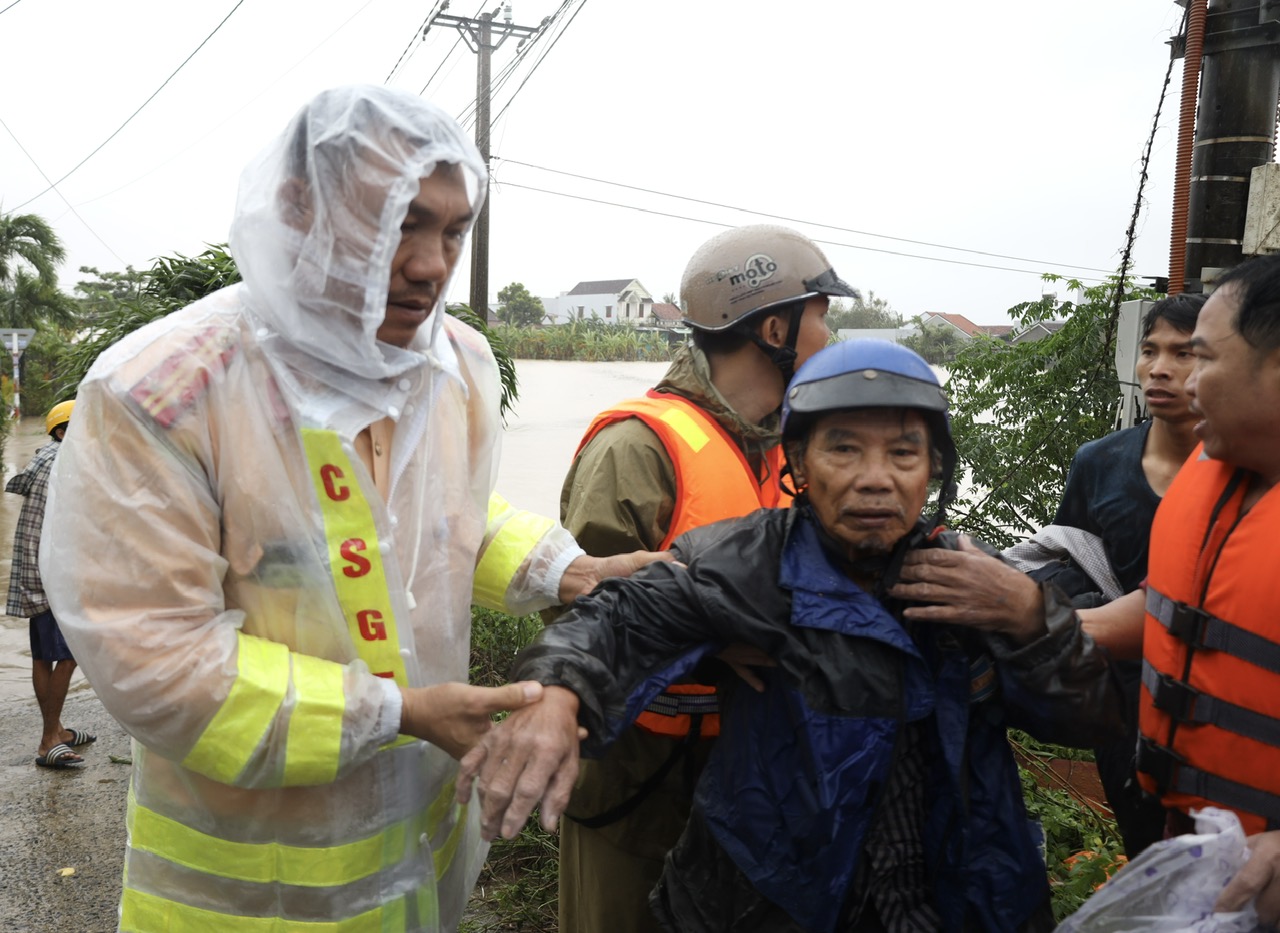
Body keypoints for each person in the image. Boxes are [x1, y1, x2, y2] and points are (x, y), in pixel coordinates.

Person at [39, 85, 662, 933]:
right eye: (400, 221)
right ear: (299, 207)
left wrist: (566, 569)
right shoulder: (165, 391)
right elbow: (154, 659)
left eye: (452, 230)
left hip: (418, 868)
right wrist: (400, 711)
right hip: (243, 896)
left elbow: (441, 518)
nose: (430, 263)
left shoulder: (455, 362)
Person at [458, 340, 1124, 932]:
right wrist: (557, 692)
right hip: (773, 900)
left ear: (932, 472)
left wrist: (1033, 615)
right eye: (843, 448)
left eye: (902, 452)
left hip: (956, 896)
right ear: (798, 464)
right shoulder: (750, 565)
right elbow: (621, 617)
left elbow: (1090, 717)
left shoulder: (979, 582)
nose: (875, 476)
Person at [554, 223, 855, 933]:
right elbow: (575, 624)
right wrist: (716, 643)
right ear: (776, 328)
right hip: (636, 796)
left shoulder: (791, 451)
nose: (830, 338)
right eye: (823, 318)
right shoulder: (636, 450)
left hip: (750, 792)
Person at [1005, 293, 1206, 857]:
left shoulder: (1242, 466)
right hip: (1122, 694)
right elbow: (1069, 557)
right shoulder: (1099, 462)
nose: (1159, 368)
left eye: (1183, 352)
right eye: (1150, 350)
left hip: (1219, 688)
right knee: (1148, 846)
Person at [1125, 253, 1280, 926]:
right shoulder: (1225, 476)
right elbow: (1177, 611)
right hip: (1191, 852)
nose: (1188, 385)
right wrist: (1032, 616)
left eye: (1206, 360)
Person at [7, 399, 95, 770]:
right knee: (71, 654)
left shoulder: (45, 456)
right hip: (52, 576)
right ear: (63, 432)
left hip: (34, 573)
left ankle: (56, 729)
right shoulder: (64, 463)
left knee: (44, 656)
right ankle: (47, 741)